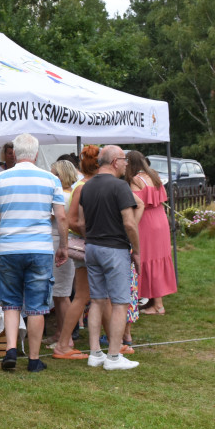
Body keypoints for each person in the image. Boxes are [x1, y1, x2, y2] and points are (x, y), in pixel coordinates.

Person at [0, 133, 68, 373]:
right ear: (35, 153)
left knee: (10, 302)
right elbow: (61, 216)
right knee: (36, 306)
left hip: (9, 248)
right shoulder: (50, 179)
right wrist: (63, 245)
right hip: (39, 248)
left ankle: (10, 350)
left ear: (15, 152)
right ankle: (33, 359)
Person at [77, 145, 142, 370]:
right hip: (114, 248)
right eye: (124, 159)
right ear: (115, 162)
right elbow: (130, 223)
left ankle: (95, 352)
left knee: (96, 300)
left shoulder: (86, 186)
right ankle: (114, 356)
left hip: (92, 247)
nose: (126, 163)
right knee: (120, 302)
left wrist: (94, 238)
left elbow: (82, 223)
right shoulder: (120, 187)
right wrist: (137, 251)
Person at [51, 145, 100, 359]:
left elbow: (68, 220)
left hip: (74, 244)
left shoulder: (71, 191)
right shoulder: (79, 188)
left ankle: (68, 338)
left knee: (73, 295)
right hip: (84, 245)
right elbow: (74, 220)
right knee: (78, 295)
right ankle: (66, 340)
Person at [126, 151, 177, 315]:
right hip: (160, 219)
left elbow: (135, 205)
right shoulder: (154, 176)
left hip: (146, 222)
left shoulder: (136, 180)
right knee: (158, 259)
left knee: (146, 259)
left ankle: (156, 305)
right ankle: (157, 302)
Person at [48, 159, 79, 355]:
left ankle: (66, 337)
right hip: (59, 242)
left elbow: (55, 218)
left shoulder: (63, 197)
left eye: (54, 174)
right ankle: (60, 332)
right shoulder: (68, 195)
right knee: (60, 293)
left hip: (60, 243)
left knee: (62, 293)